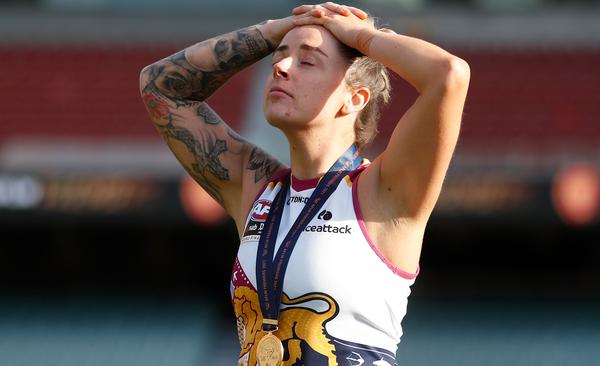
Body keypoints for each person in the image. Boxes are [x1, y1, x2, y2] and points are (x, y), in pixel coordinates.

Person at [139, 3, 470, 365]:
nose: (280, 67)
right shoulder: (257, 187)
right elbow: (160, 87)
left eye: (307, 62)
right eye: (277, 60)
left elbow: (449, 75)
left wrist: (361, 36)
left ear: (354, 98)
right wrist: (277, 30)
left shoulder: (383, 190)